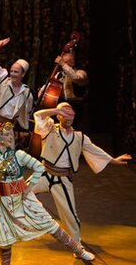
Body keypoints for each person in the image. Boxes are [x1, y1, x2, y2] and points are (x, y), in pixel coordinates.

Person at [0, 114, 95, 265]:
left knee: (49, 224)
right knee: (4, 237)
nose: (11, 137)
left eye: (11, 134)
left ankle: (80, 251)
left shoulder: (19, 155)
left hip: (23, 199)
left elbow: (38, 167)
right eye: (6, 135)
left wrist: (28, 187)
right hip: (3, 201)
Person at [32, 103, 130, 244]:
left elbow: (95, 151)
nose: (68, 116)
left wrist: (114, 160)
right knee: (18, 193)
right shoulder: (49, 128)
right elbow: (38, 115)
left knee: (70, 216)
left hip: (63, 180)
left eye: (70, 113)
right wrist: (56, 110)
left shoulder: (79, 137)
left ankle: (77, 245)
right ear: (58, 116)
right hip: (44, 174)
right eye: (64, 113)